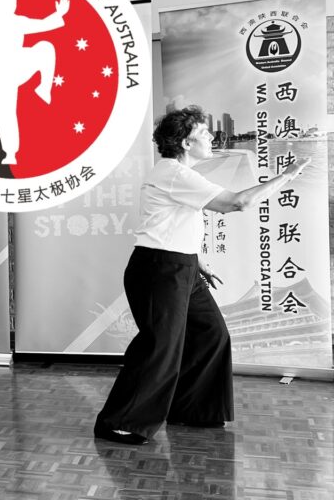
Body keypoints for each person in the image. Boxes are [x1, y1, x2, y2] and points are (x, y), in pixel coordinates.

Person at [94, 106, 310, 444]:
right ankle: (119, 422)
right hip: (159, 270)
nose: (211, 136)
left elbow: (174, 222)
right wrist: (288, 176)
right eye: (203, 132)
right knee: (160, 348)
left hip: (181, 267)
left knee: (211, 334)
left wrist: (196, 260)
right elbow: (237, 203)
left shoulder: (178, 174)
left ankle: (192, 409)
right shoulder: (174, 173)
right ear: (185, 142)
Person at [0, 0, 68, 165]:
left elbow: (42, 24)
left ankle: (43, 87)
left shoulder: (18, 21)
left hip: (18, 64)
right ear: (1, 0)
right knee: (6, 112)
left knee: (45, 47)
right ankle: (10, 153)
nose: (16, 2)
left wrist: (59, 13)